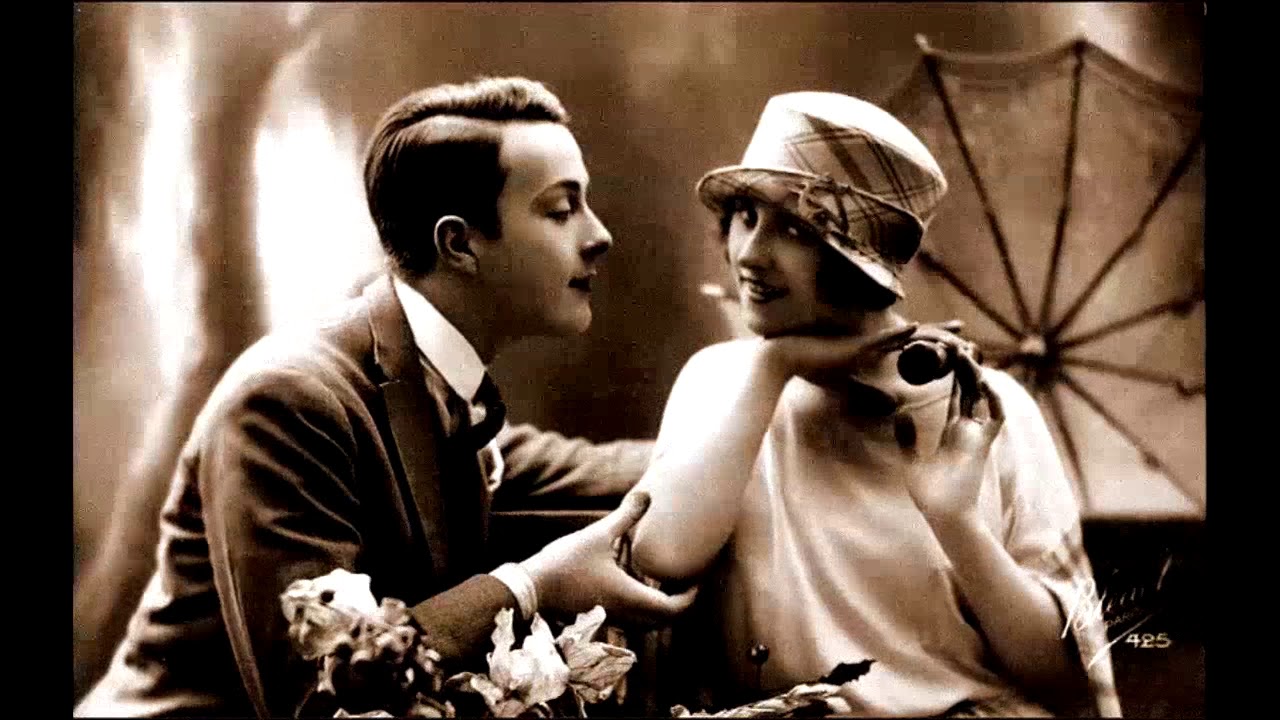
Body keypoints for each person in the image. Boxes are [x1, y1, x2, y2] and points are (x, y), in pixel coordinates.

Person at [75, 76, 693, 719]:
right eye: (561, 210)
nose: (599, 235)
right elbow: (316, 698)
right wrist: (530, 586)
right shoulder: (288, 402)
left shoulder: (441, 391)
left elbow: (614, 470)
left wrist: (757, 381)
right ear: (459, 244)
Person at [629, 92, 1121, 717]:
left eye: (795, 229)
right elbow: (663, 554)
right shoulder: (720, 379)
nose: (750, 253)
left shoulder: (985, 409)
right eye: (747, 216)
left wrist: (955, 521)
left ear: (860, 264)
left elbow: (1066, 677)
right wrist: (774, 368)